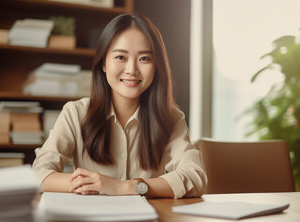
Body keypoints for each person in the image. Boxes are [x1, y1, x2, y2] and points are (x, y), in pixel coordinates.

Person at [32, 14, 207, 198]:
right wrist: (91, 183)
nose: (132, 69)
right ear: (104, 63)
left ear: (156, 66)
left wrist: (124, 187)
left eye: (144, 59)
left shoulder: (171, 118)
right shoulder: (75, 113)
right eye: (121, 57)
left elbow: (195, 176)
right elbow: (39, 173)